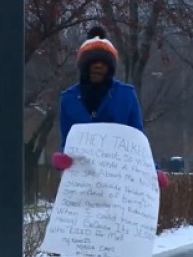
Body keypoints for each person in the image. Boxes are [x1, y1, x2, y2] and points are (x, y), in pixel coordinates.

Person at [50, 26, 169, 188]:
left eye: (104, 63)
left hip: (118, 183)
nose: (98, 67)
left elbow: (138, 140)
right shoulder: (68, 99)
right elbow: (68, 142)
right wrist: (62, 159)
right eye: (92, 62)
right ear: (83, 66)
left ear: (110, 69)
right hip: (84, 186)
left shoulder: (126, 96)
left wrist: (152, 171)